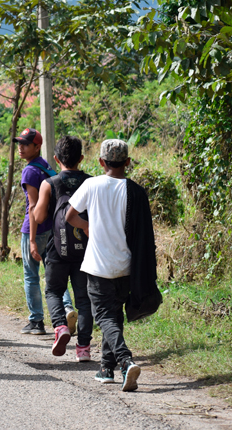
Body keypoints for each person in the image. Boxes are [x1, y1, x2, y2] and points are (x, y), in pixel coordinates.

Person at [66, 139, 158, 392]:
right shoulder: (137, 192)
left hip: (98, 266)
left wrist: (86, 227)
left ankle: (125, 360)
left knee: (104, 316)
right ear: (127, 162)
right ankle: (106, 368)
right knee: (114, 316)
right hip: (127, 268)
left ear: (101, 162)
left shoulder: (92, 184)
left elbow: (69, 215)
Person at [32, 136, 93, 361]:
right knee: (84, 299)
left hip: (58, 248)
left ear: (56, 159)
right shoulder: (91, 182)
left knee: (53, 291)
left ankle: (60, 327)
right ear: (82, 158)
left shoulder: (50, 183)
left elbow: (38, 216)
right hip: (86, 250)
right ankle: (84, 349)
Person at [16, 128, 76, 335]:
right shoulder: (46, 166)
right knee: (54, 275)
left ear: (37, 146)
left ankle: (36, 321)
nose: (20, 147)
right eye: (19, 143)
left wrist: (32, 239)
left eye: (25, 144)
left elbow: (33, 207)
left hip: (35, 229)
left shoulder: (30, 171)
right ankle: (67, 308)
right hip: (54, 229)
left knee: (31, 275)